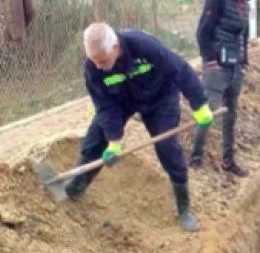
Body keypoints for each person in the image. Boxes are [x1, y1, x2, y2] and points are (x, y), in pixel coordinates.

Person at [63, 23, 213, 232]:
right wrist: (114, 141)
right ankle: (76, 187)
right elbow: (104, 105)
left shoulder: (143, 45)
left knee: (167, 146)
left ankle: (184, 208)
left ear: (115, 46)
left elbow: (179, 70)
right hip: (120, 99)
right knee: (95, 139)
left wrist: (200, 105)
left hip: (160, 97)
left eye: (102, 60)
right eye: (93, 60)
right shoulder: (92, 67)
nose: (98, 66)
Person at [190, 0, 260, 177]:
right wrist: (210, 61)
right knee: (208, 114)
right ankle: (196, 158)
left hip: (234, 68)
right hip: (216, 68)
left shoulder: (245, 6)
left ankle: (228, 161)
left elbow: (243, 37)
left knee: (230, 116)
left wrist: (244, 63)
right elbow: (202, 32)